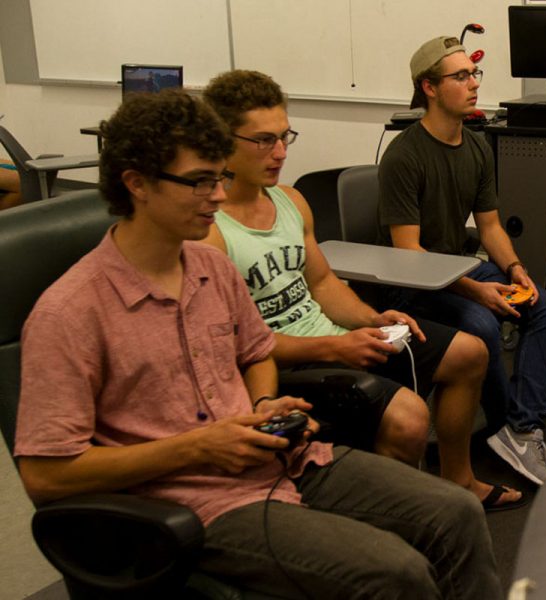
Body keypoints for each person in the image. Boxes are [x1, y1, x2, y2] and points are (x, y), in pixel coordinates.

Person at [14, 90, 503, 599]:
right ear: (136, 184)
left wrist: (267, 404)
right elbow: (47, 475)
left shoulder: (211, 269)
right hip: (191, 503)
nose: (219, 196)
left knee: (456, 514)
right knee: (394, 573)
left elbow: (256, 354)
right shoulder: (69, 313)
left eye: (218, 178)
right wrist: (198, 446)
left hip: (284, 461)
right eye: (200, 182)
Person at [201, 69, 522, 510]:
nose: (279, 152)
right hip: (288, 364)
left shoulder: (290, 201)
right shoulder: (209, 231)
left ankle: (460, 481)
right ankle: (403, 516)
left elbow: (321, 282)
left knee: (470, 353)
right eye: (263, 141)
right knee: (410, 419)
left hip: (332, 338)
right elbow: (239, 347)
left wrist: (372, 319)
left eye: (284, 137)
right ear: (221, 141)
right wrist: (336, 347)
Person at [378, 36, 546, 486]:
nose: (473, 83)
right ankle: (504, 425)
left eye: (473, 73)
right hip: (415, 281)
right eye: (460, 76)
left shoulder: (477, 146)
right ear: (429, 87)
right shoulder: (404, 155)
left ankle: (522, 426)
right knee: (481, 323)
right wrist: (476, 290)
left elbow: (491, 227)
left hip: (459, 267)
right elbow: (409, 254)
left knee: (545, 308)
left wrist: (515, 270)